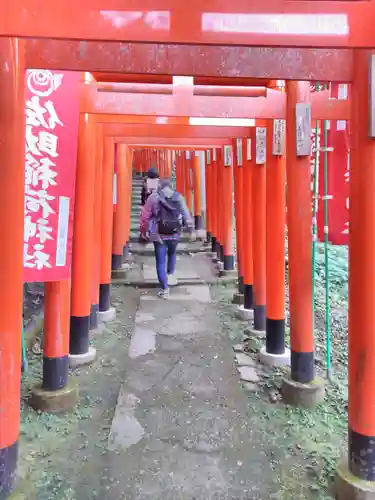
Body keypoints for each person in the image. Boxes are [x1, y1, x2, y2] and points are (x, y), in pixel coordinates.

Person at [140, 179, 195, 299]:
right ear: (171, 187)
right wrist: (191, 231)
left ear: (160, 187)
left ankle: (165, 289)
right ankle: (170, 275)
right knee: (172, 253)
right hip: (174, 233)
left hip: (158, 234)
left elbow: (145, 217)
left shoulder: (153, 198)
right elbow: (186, 215)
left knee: (160, 261)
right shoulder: (178, 197)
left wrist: (144, 232)